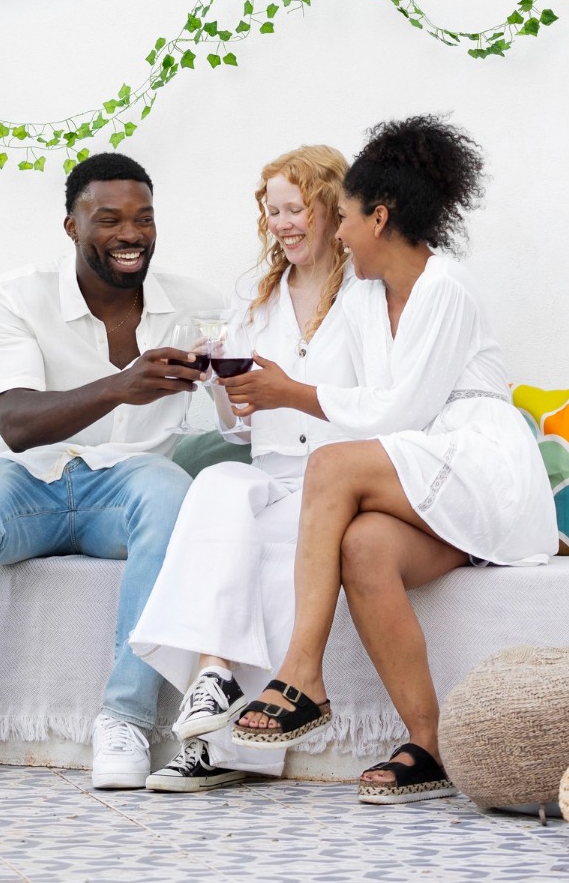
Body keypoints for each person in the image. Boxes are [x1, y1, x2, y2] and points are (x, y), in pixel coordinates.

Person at [229, 116, 558, 804]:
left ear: (380, 217)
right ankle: (429, 746)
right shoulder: (362, 297)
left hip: (481, 468)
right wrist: (246, 379)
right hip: (424, 474)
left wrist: (290, 391)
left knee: (333, 468)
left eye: (344, 219)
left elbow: (399, 411)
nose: (340, 236)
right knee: (365, 548)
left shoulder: (446, 288)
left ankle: (302, 674)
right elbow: (335, 381)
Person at [0, 151, 222, 789]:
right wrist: (121, 386)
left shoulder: (198, 306)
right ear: (72, 227)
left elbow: (236, 410)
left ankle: (126, 721)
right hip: (32, 484)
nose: (130, 234)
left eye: (144, 218)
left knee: (173, 495)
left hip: (130, 487)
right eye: (108, 219)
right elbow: (18, 424)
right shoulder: (17, 295)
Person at [129, 145, 355, 792]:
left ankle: (224, 749)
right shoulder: (256, 299)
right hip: (275, 468)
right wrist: (215, 382)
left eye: (296, 209)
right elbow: (239, 430)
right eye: (273, 211)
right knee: (219, 482)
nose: (283, 224)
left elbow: (381, 403)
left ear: (333, 208)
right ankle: (213, 675)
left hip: (341, 474)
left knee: (269, 548)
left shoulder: (367, 295)